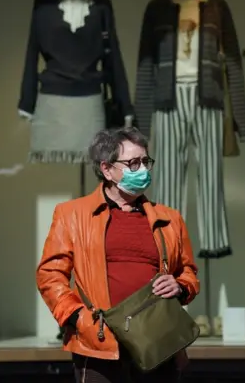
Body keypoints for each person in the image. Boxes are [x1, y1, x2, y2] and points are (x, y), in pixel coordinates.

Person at [36, 126, 200, 383]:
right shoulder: (72, 215)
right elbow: (50, 275)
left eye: (146, 161)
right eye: (133, 163)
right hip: (100, 342)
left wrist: (179, 286)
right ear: (106, 169)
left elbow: (188, 272)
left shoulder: (170, 219)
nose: (143, 169)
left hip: (156, 340)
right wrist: (77, 318)